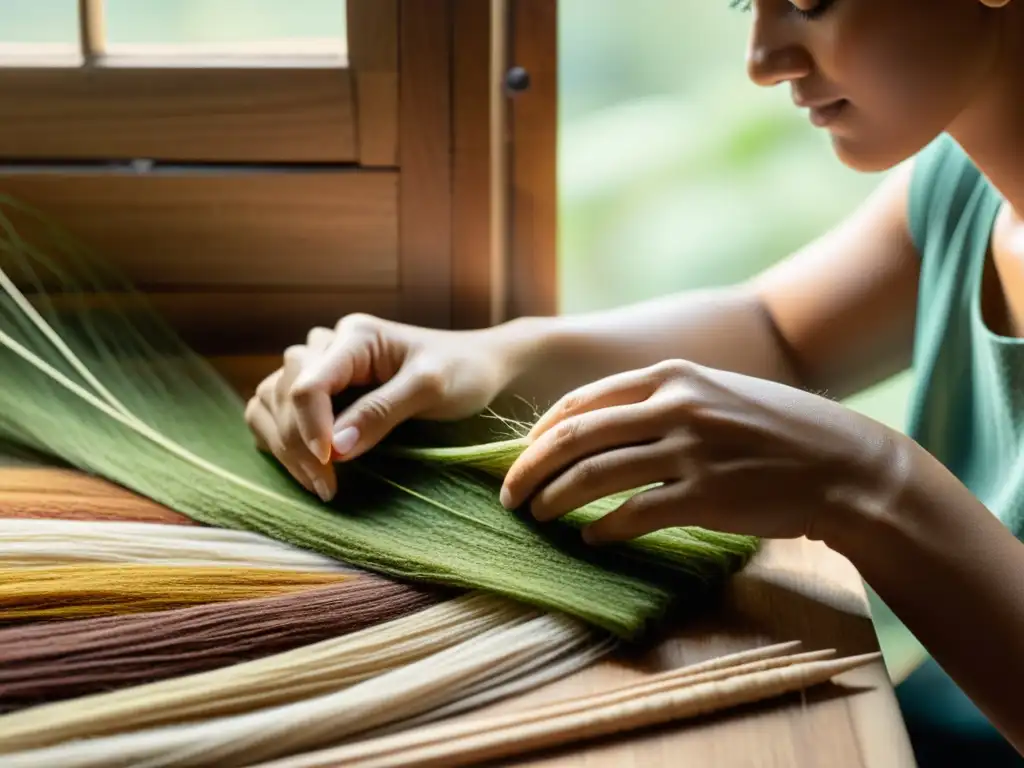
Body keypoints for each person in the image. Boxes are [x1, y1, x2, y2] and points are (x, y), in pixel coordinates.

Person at [244, 1, 1024, 764]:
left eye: (806, 3)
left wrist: (874, 484)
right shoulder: (964, 185)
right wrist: (486, 359)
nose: (762, 61)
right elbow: (778, 333)